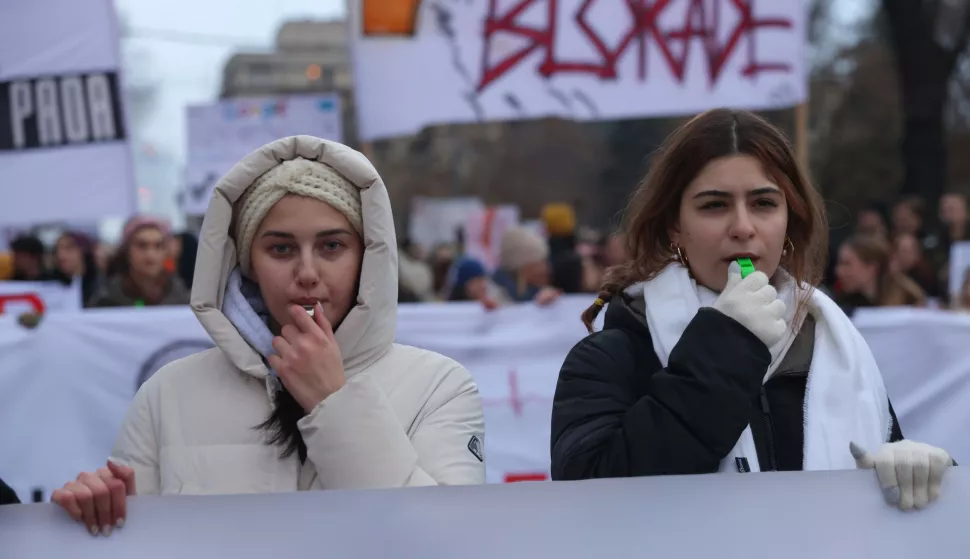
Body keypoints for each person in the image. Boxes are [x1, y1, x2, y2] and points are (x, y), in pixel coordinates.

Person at [51, 136, 486, 536]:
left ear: (368, 257)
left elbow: (445, 539)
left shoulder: (440, 386)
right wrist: (102, 513)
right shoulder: (167, 394)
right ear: (247, 264)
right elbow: (141, 540)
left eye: (332, 246)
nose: (308, 273)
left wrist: (335, 403)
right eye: (280, 248)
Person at [550, 109, 953, 511]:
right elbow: (592, 506)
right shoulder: (610, 357)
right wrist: (725, 344)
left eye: (763, 203)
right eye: (714, 206)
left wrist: (915, 470)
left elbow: (897, 502)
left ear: (788, 219)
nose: (743, 226)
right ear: (675, 225)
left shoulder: (835, 346)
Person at [87, 216, 191, 308]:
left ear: (166, 251)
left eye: (158, 246)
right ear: (127, 250)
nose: (150, 254)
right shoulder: (106, 300)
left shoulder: (182, 298)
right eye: (142, 245)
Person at [835, 233, 926, 315]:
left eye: (846, 263)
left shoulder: (910, 302)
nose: (838, 270)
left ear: (871, 268)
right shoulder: (842, 306)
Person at [492, 226, 561, 305]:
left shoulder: (538, 291)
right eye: (539, 262)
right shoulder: (495, 295)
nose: (546, 269)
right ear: (521, 268)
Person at [52, 231, 102, 306]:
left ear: (83, 251)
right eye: (57, 250)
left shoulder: (100, 284)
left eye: (68, 248)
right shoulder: (50, 283)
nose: (61, 255)